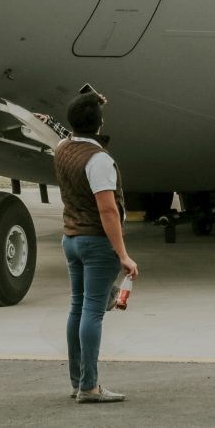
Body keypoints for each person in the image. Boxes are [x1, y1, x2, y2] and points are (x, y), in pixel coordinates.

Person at [53, 88, 139, 404]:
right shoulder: (99, 160)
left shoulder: (62, 148)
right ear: (100, 124)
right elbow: (107, 210)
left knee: (78, 308)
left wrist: (89, 103)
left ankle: (78, 382)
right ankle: (90, 386)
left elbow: (72, 131)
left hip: (71, 238)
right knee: (93, 311)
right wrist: (123, 255)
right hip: (96, 243)